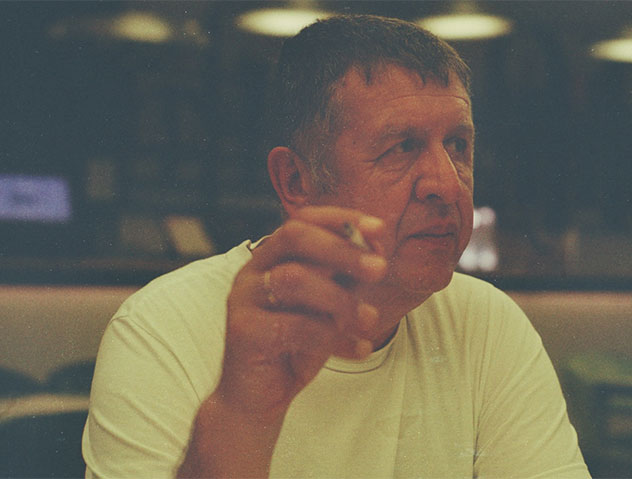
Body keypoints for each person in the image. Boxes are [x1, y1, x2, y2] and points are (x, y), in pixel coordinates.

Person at [83, 14, 590, 479]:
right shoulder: (164, 329)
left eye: (457, 145)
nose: (446, 183)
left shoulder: (487, 325)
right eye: (402, 147)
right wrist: (242, 415)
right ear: (296, 181)